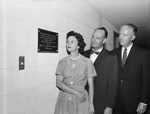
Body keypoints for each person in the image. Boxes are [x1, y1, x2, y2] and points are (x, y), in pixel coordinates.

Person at [54, 31, 97, 114]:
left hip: (81, 100)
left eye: (72, 41)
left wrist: (91, 103)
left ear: (78, 45)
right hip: (64, 99)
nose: (68, 44)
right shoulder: (62, 62)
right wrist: (76, 93)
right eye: (67, 41)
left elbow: (91, 84)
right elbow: (59, 83)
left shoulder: (87, 62)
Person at [111, 23, 150, 114]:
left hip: (134, 102)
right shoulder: (113, 54)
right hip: (115, 102)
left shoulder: (143, 54)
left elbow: (146, 80)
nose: (120, 37)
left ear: (133, 37)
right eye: (120, 34)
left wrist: (143, 102)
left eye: (124, 35)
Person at [82, 27, 118, 114]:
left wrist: (109, 106)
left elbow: (113, 84)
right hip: (83, 101)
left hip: (100, 104)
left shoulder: (111, 57)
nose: (94, 40)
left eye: (97, 38)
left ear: (104, 40)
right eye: (93, 37)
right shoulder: (83, 55)